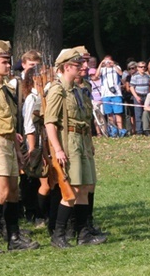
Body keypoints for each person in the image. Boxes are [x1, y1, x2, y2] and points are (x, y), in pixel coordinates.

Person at [0, 40, 39, 253]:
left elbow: (10, 123)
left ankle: (14, 237)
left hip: (8, 143)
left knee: (13, 192)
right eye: (3, 62)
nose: (7, 65)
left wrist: (17, 151)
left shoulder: (5, 89)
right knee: (0, 191)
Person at [46, 48, 107, 248]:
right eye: (77, 64)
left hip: (82, 140)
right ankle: (59, 234)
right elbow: (50, 123)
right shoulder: (58, 90)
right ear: (66, 67)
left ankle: (83, 234)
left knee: (84, 188)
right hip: (69, 141)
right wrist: (58, 149)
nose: (82, 67)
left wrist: (89, 143)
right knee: (71, 189)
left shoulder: (77, 90)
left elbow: (85, 119)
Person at [93, 55, 126, 137]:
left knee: (118, 113)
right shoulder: (102, 69)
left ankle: (121, 130)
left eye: (109, 61)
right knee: (109, 114)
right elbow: (96, 75)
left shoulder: (116, 67)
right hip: (106, 94)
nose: (107, 63)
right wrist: (101, 63)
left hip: (116, 94)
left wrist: (113, 64)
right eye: (106, 61)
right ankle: (113, 130)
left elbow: (121, 73)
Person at [129, 61, 150, 135]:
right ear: (137, 68)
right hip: (138, 96)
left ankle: (146, 130)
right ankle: (139, 131)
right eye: (141, 67)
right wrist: (136, 96)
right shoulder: (134, 76)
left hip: (146, 96)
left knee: (146, 114)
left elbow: (149, 86)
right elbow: (131, 87)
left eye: (144, 67)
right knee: (138, 115)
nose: (143, 68)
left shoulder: (148, 76)